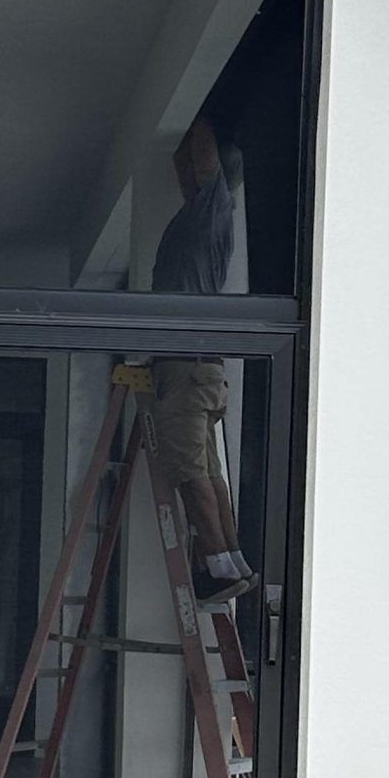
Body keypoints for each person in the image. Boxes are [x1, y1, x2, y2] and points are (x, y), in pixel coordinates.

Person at [151, 111, 254, 602]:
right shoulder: (200, 214)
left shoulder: (214, 208)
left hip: (188, 371)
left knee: (191, 474)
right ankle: (230, 561)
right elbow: (181, 160)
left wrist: (204, 115)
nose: (189, 172)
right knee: (207, 472)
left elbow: (201, 158)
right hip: (198, 371)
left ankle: (218, 567)